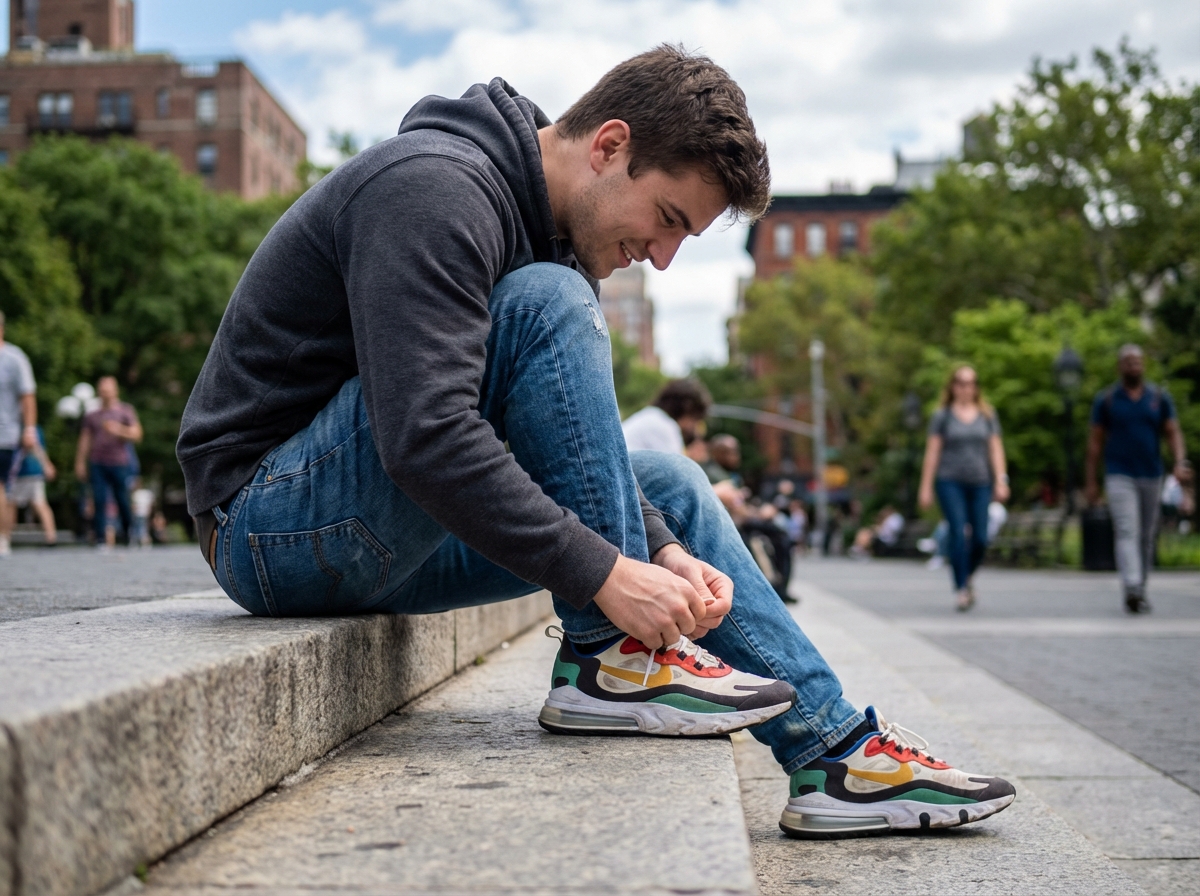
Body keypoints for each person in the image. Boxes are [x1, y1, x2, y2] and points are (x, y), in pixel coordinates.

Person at [177, 46, 1013, 838]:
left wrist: (656, 548)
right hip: (264, 525)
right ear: (612, 146)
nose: (662, 257)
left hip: (377, 533)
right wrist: (610, 578)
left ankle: (833, 758)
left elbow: (573, 452)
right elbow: (426, 436)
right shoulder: (433, 188)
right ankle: (610, 660)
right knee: (547, 300)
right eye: (669, 219)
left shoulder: (544, 236)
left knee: (675, 489)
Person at [1085, 344, 1190, 614]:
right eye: (1129, 362)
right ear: (1120, 366)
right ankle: (1131, 585)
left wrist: (1179, 461)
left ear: (1143, 365)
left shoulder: (1158, 397)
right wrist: (1091, 482)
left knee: (1146, 535)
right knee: (1126, 529)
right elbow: (1095, 443)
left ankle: (1140, 587)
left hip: (1151, 473)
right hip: (1119, 473)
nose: (1134, 366)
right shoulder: (1107, 399)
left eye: (1138, 362)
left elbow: (1172, 433)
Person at [918, 366, 1010, 611]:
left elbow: (995, 449)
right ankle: (961, 588)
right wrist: (925, 487)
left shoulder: (987, 415)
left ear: (976, 387)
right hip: (950, 482)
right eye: (960, 382)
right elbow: (933, 453)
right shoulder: (942, 416)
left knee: (980, 536)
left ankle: (968, 575)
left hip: (980, 482)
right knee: (958, 533)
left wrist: (1001, 480)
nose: (965, 387)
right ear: (952, 386)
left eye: (971, 383)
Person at [76, 376, 143, 550]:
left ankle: (129, 533)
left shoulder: (125, 411)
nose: (104, 392)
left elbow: (137, 434)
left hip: (119, 462)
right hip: (97, 461)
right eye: (102, 389)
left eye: (107, 389)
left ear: (115, 390)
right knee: (98, 499)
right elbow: (85, 440)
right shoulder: (92, 415)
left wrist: (118, 429)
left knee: (122, 499)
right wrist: (80, 463)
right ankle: (100, 538)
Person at [0, 311, 39, 557]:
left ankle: (3, 538)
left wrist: (29, 428)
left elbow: (27, 397)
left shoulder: (14, 359)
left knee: (3, 488)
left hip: (6, 435)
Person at [621, 378, 711, 453]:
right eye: (695, 418)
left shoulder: (649, 415)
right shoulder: (665, 427)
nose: (693, 427)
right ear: (688, 408)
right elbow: (677, 469)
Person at [6, 425, 58, 545]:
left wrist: (46, 465)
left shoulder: (20, 429)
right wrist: (46, 465)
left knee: (11, 505)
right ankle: (51, 536)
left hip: (22, 472)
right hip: (30, 472)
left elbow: (34, 446)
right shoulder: (36, 429)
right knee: (38, 503)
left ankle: (5, 537)